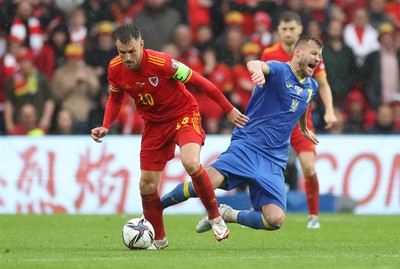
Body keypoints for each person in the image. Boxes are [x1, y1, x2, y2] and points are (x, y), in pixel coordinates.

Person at [90, 24, 248, 249]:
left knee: (191, 162)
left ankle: (215, 216)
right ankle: (159, 239)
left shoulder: (162, 62)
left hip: (183, 114)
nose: (126, 57)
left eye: (131, 51)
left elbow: (199, 81)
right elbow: (115, 98)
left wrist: (228, 108)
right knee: (146, 185)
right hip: (154, 124)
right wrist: (106, 125)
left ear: (141, 45)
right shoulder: (115, 68)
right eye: (121, 52)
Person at [161, 35, 322, 233]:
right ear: (298, 53)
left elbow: (301, 103)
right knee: (203, 185)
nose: (318, 59)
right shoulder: (279, 70)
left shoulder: (312, 86)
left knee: (275, 220)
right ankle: (154, 209)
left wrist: (303, 127)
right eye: (314, 53)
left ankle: (229, 214)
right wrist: (258, 72)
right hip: (248, 146)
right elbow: (254, 63)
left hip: (274, 159)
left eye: (320, 56)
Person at [260, 11, 337, 228]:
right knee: (261, 168)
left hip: (301, 121)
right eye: (283, 29)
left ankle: (313, 217)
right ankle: (259, 207)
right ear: (278, 31)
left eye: (291, 29)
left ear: (300, 29)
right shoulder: (269, 54)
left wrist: (330, 110)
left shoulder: (312, 55)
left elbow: (322, 84)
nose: (287, 33)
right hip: (274, 123)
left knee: (309, 168)